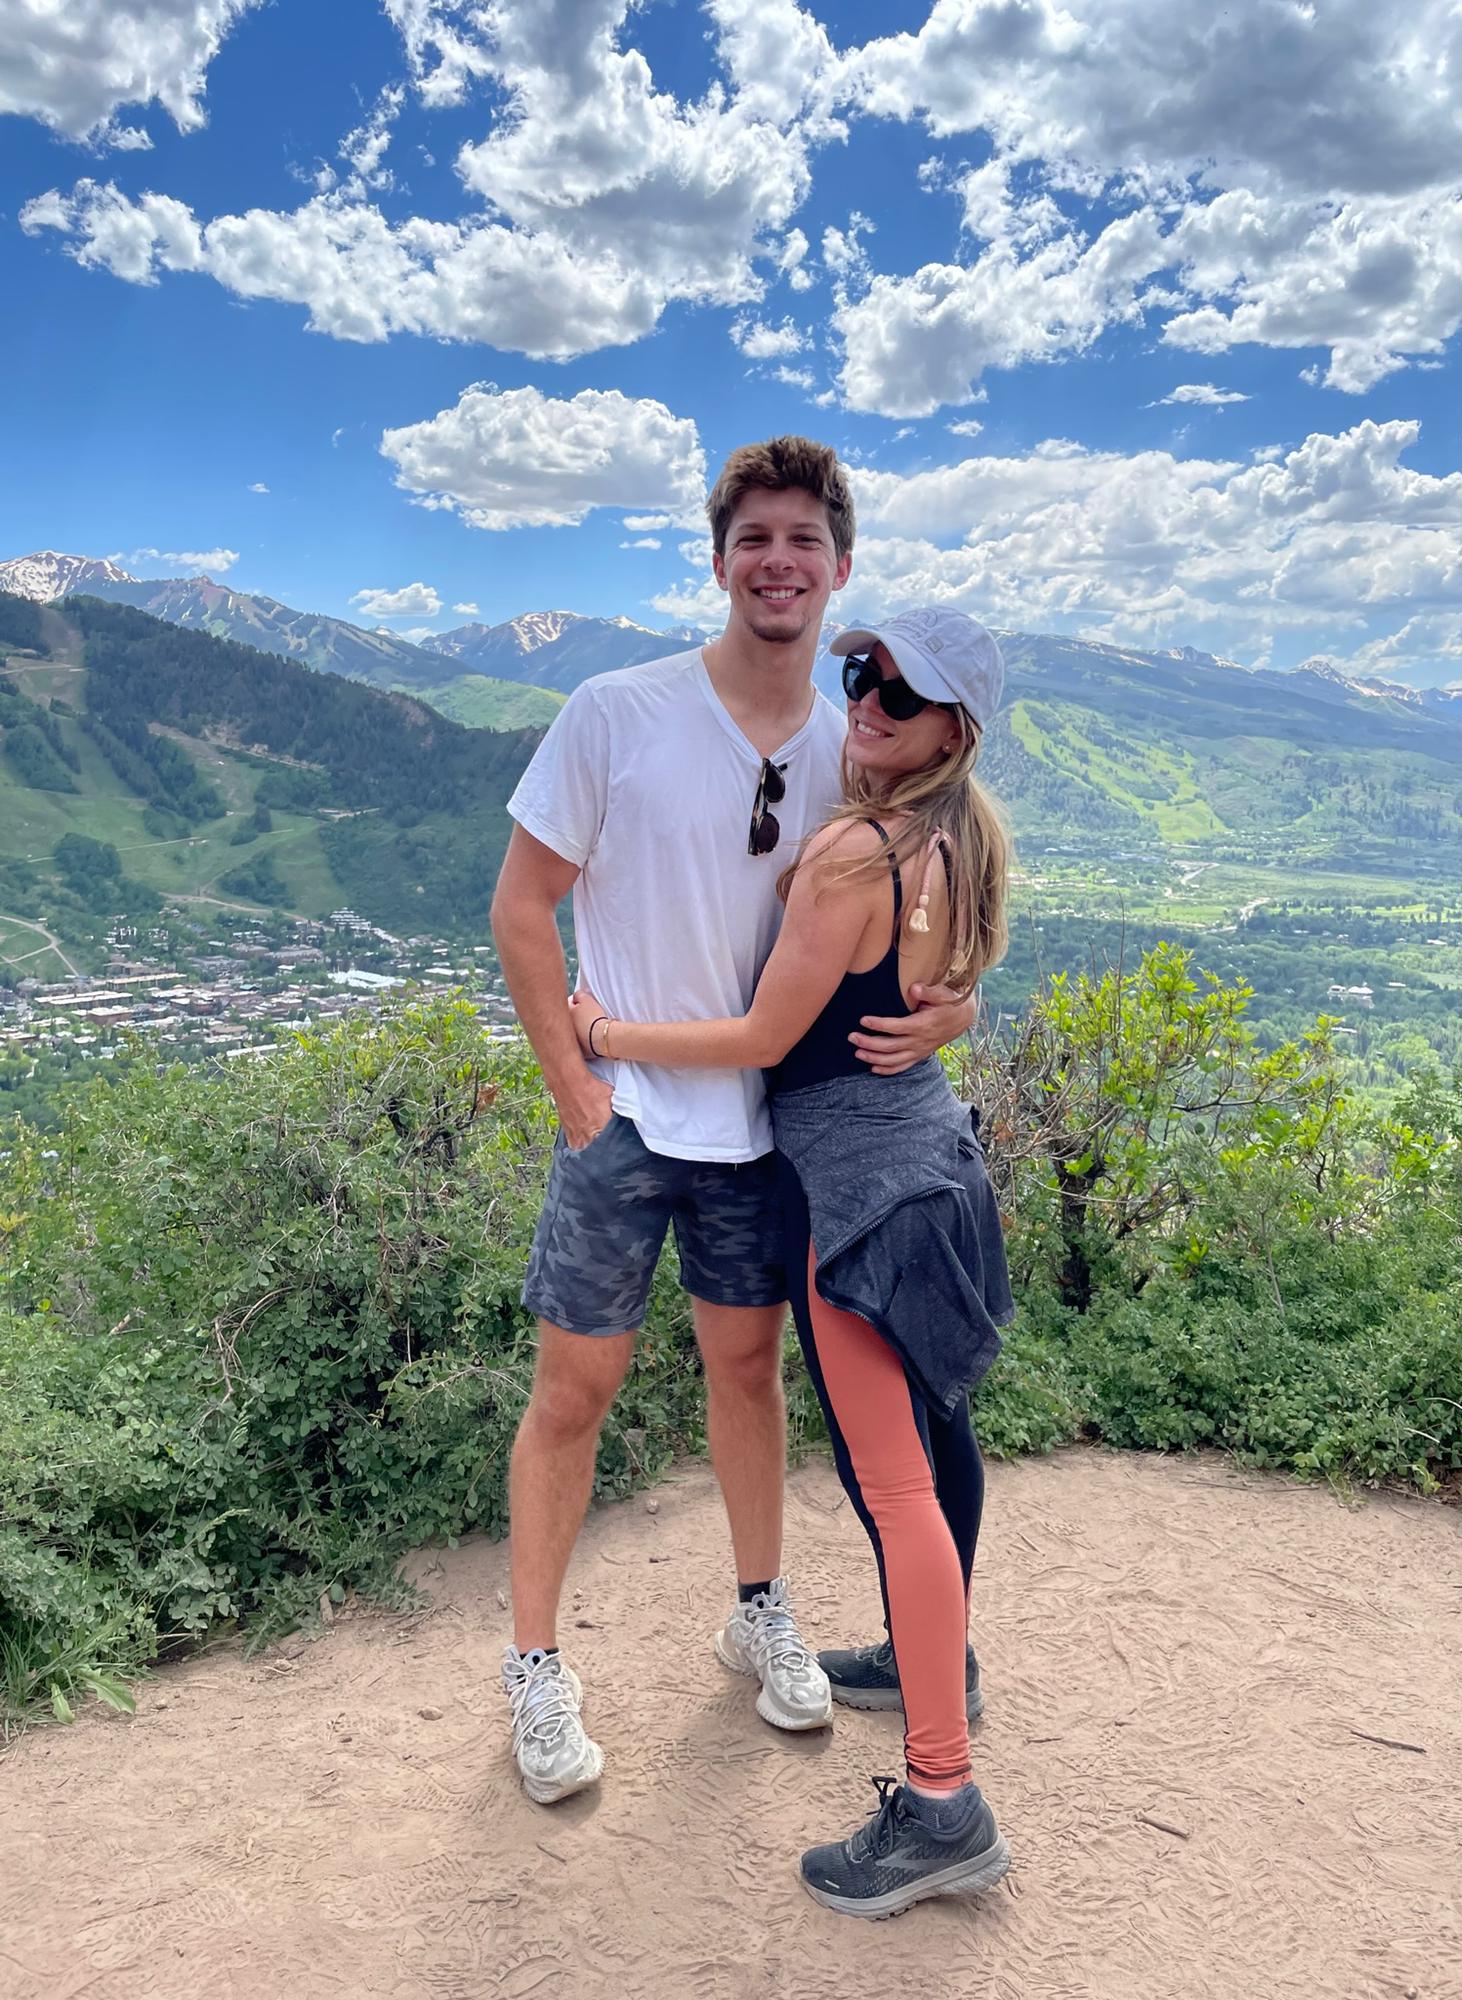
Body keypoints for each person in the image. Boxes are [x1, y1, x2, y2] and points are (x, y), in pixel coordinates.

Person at [490, 438, 976, 1807]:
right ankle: (535, 1664)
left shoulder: (852, 748)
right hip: (627, 1121)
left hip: (767, 1134)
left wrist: (959, 1007)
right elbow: (521, 907)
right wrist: (574, 1086)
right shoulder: (615, 712)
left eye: (803, 540)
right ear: (718, 562)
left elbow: (916, 912)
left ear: (839, 566)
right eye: (754, 537)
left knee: (748, 1374)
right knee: (572, 1394)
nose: (778, 561)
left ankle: (758, 1612)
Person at [569, 605, 1015, 1919]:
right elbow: (933, 985)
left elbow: (764, 1039)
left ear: (953, 728)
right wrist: (961, 1011)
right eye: (860, 673)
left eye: (900, 691)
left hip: (863, 1202)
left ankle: (943, 1801)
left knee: (897, 1485)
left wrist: (605, 1032)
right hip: (936, 1165)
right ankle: (941, 1668)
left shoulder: (855, 854)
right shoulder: (959, 835)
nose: (865, 699)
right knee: (936, 1448)